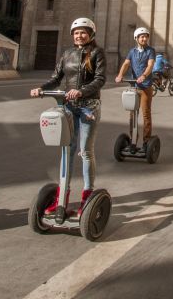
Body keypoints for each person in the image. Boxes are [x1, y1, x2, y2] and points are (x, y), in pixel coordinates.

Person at [31, 16, 105, 213]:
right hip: (69, 107)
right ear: (73, 35)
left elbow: (100, 79)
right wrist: (41, 88)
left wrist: (82, 91)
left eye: (83, 32)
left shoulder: (97, 53)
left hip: (89, 107)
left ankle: (88, 194)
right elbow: (56, 78)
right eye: (76, 33)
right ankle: (62, 194)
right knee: (68, 150)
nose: (79, 36)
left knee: (86, 151)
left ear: (90, 35)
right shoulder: (67, 54)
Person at [115, 27, 155, 145]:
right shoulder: (132, 52)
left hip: (146, 87)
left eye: (146, 36)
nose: (144, 38)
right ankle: (133, 140)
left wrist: (144, 75)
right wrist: (120, 75)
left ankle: (146, 140)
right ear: (136, 38)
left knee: (146, 114)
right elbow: (126, 64)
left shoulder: (150, 51)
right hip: (134, 87)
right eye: (142, 36)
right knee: (132, 115)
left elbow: (150, 65)